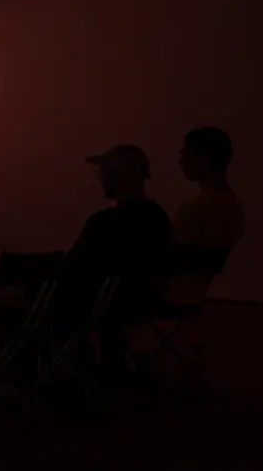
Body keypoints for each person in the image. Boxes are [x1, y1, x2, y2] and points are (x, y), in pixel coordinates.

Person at [48, 144, 173, 379]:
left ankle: (39, 376)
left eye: (103, 174)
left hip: (98, 304)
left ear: (116, 177)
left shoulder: (104, 223)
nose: (101, 180)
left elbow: (72, 267)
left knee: (19, 303)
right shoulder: (158, 218)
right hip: (139, 301)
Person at [172, 126, 246, 251]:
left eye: (186, 154)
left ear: (205, 158)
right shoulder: (231, 203)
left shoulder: (199, 208)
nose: (181, 162)